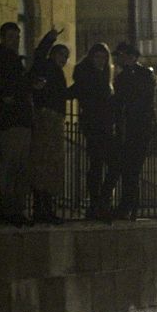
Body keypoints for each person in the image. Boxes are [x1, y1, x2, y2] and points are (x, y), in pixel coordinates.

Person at [98, 41, 157, 221]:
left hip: (138, 130)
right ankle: (123, 206)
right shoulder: (124, 77)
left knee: (132, 170)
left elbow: (141, 101)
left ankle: (127, 207)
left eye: (122, 55)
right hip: (128, 130)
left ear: (131, 56)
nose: (119, 59)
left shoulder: (144, 75)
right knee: (126, 169)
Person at [0, 22, 35, 226]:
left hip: (21, 119)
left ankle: (16, 209)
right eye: (12, 36)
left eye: (18, 36)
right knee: (11, 166)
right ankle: (9, 209)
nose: (16, 40)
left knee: (21, 168)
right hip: (10, 120)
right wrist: (6, 94)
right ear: (3, 37)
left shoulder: (13, 60)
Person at [69, 43, 114, 219]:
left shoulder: (104, 76)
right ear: (91, 57)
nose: (101, 61)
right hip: (95, 126)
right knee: (97, 164)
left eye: (103, 57)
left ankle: (100, 200)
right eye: (97, 57)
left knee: (106, 164)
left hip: (104, 126)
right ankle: (98, 201)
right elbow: (81, 93)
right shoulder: (88, 76)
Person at [29, 28, 68, 224]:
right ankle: (41, 207)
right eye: (60, 54)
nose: (63, 59)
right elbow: (38, 54)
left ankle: (47, 206)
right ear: (53, 54)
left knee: (52, 163)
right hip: (46, 117)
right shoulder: (45, 66)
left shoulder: (58, 73)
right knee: (43, 161)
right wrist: (50, 38)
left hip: (56, 119)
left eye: (65, 56)